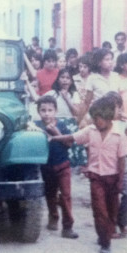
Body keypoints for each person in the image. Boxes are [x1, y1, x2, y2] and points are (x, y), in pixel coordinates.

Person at [51, 96, 127, 253]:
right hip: (96, 178)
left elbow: (122, 160)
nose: (95, 121)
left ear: (108, 118)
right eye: (93, 118)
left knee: (112, 210)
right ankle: (105, 242)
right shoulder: (90, 130)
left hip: (113, 178)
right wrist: (53, 137)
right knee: (99, 210)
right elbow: (72, 138)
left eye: (98, 119)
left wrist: (120, 181)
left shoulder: (119, 135)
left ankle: (106, 234)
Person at [34, 96, 78, 239]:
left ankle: (67, 227)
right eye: (43, 110)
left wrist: (56, 133)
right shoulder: (35, 126)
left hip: (63, 166)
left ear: (56, 111)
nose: (47, 113)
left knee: (66, 196)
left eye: (50, 110)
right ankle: (53, 216)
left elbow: (69, 144)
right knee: (50, 195)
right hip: (46, 168)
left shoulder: (62, 125)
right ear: (38, 112)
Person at [105, 91, 127, 238]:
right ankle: (110, 224)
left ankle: (122, 221)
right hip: (107, 164)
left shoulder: (123, 123)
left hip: (123, 163)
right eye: (111, 107)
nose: (115, 111)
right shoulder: (101, 122)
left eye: (117, 107)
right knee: (110, 195)